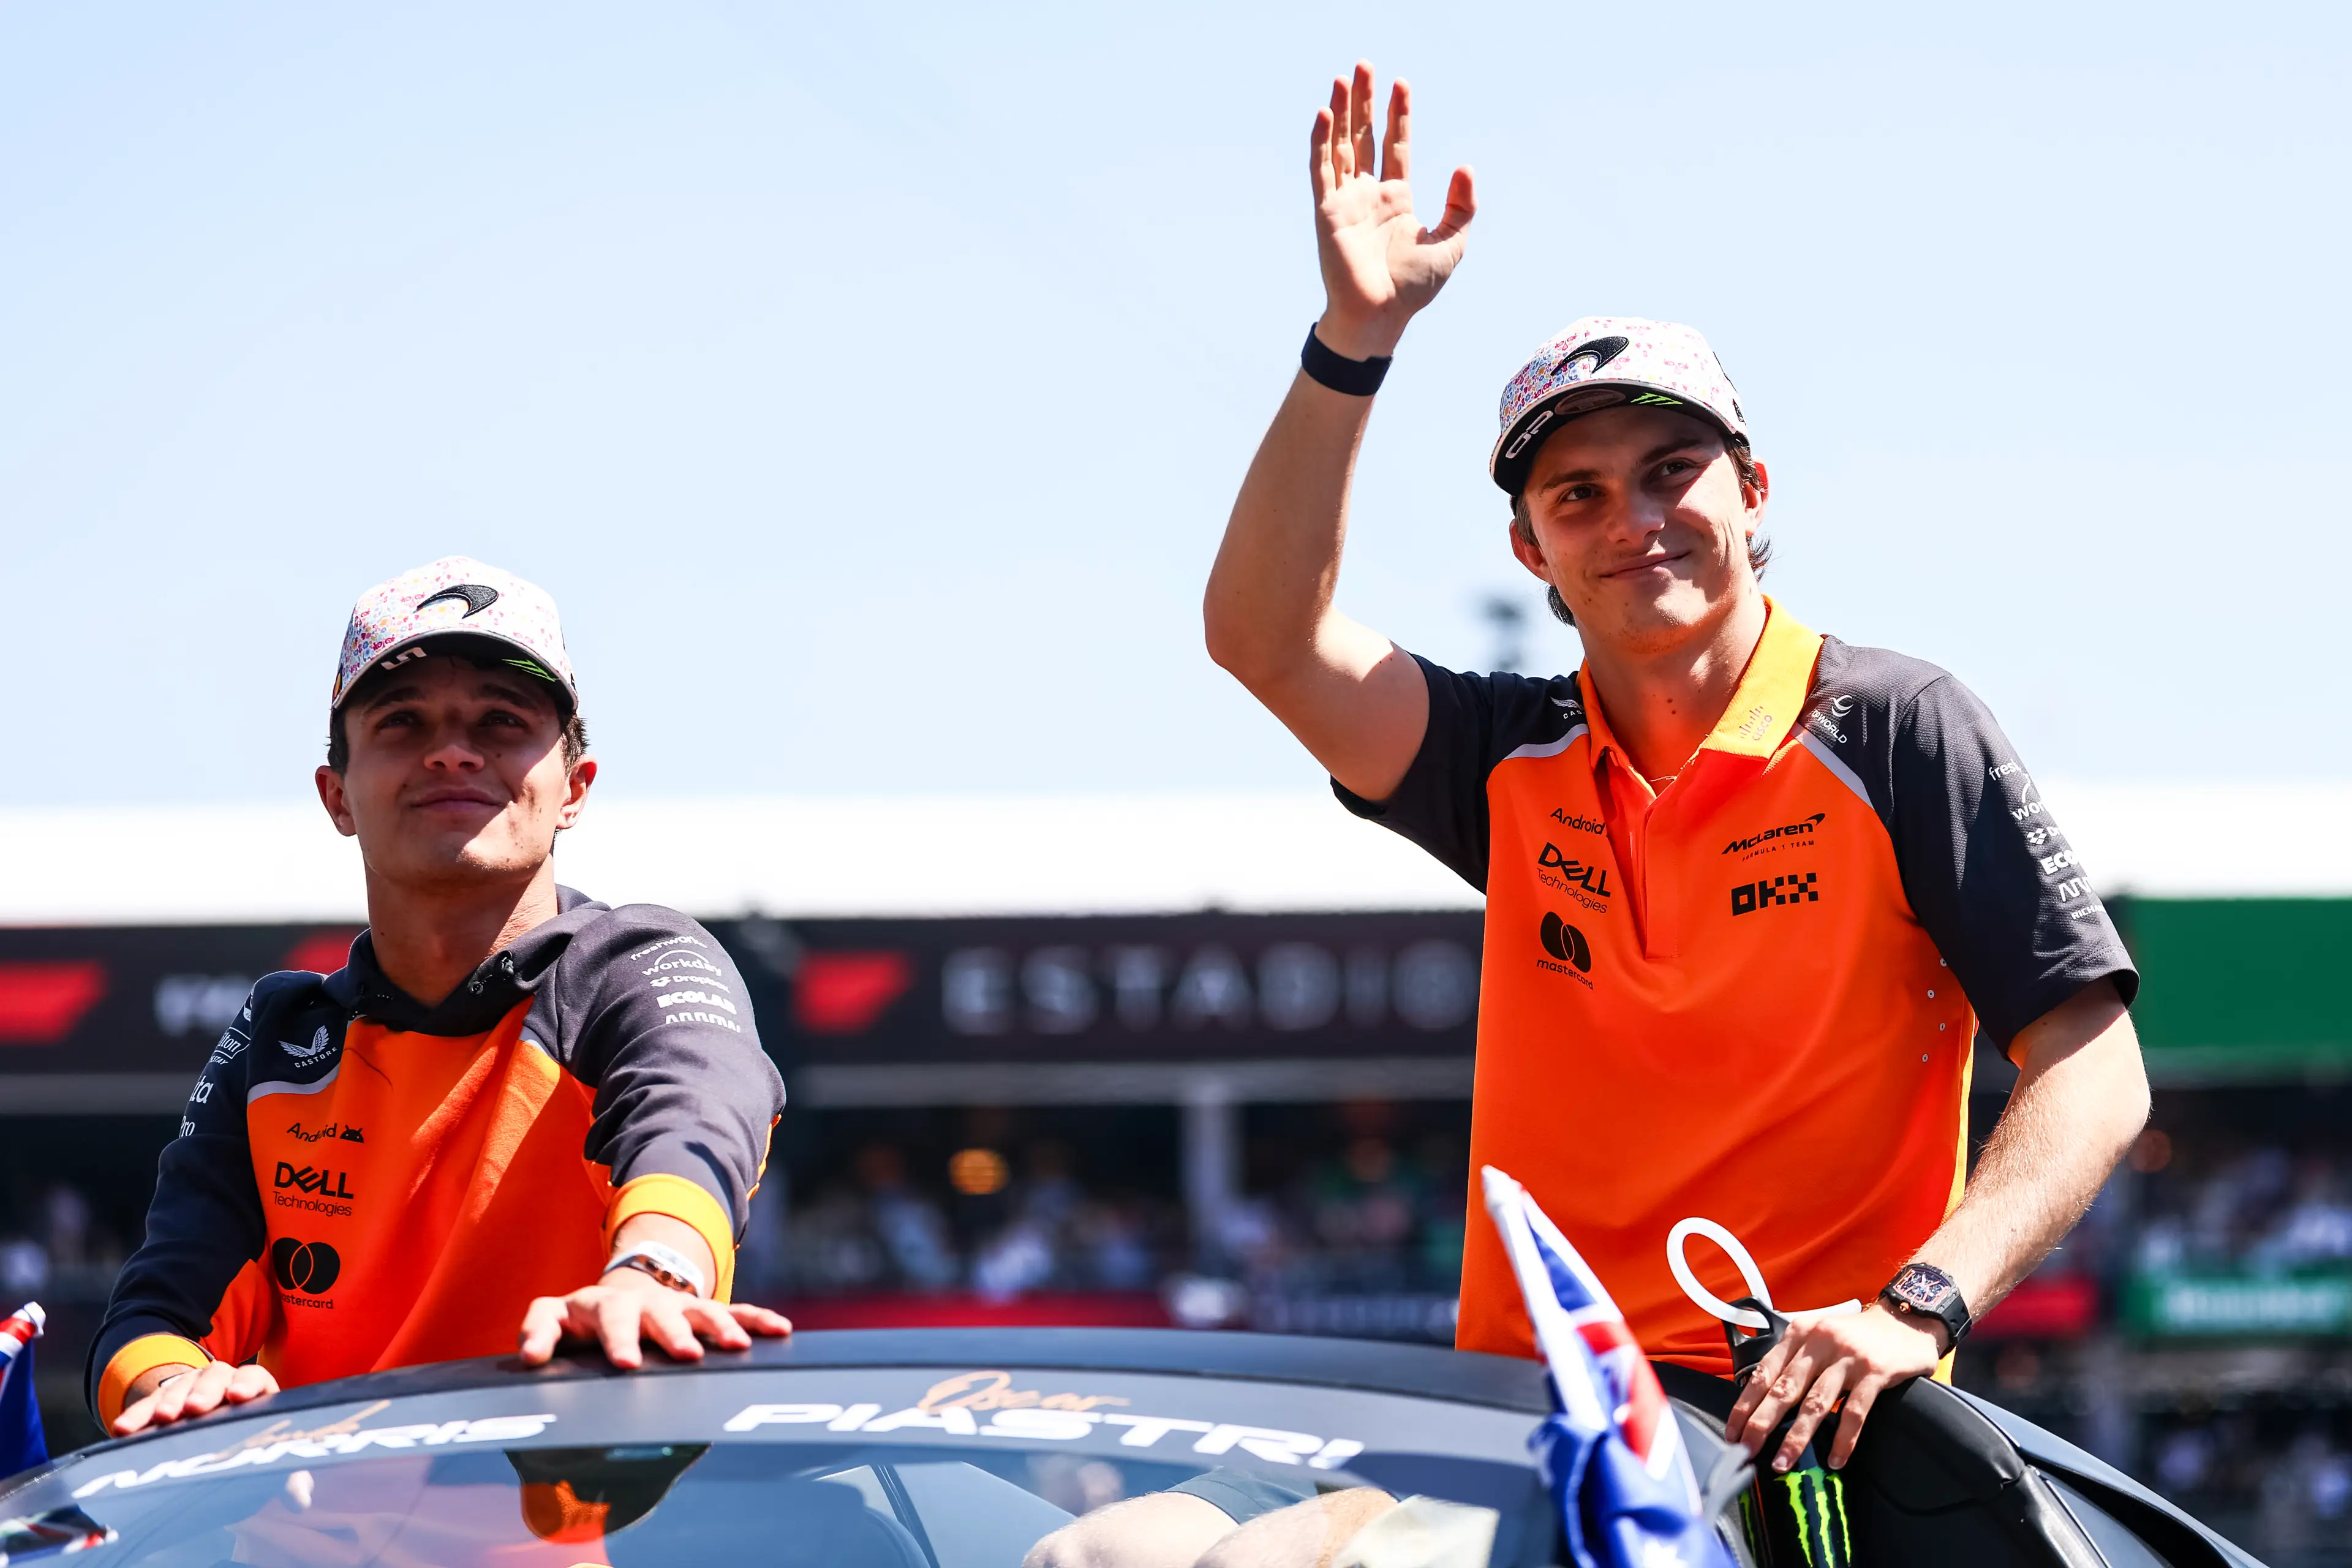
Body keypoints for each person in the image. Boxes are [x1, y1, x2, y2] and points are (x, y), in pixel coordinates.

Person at [1200, 60, 2149, 1482]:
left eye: (1671, 469)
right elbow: (1264, 639)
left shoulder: (1895, 725)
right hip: (1512, 1422)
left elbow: (2098, 1069)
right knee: (1103, 1541)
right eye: (1576, 493)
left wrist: (1917, 1306)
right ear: (1532, 550)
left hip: (1778, 1436)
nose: (1632, 518)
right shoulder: (1506, 757)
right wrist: (1352, 339)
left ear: (1752, 490)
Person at [88, 556, 791, 1436]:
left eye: (501, 720)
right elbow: (154, 1320)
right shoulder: (280, 1035)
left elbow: (695, 1121)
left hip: (576, 1528)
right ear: (336, 795)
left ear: (574, 789)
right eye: (402, 721)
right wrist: (170, 1390)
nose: (453, 749)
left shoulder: (637, 961)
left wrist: (651, 1276)